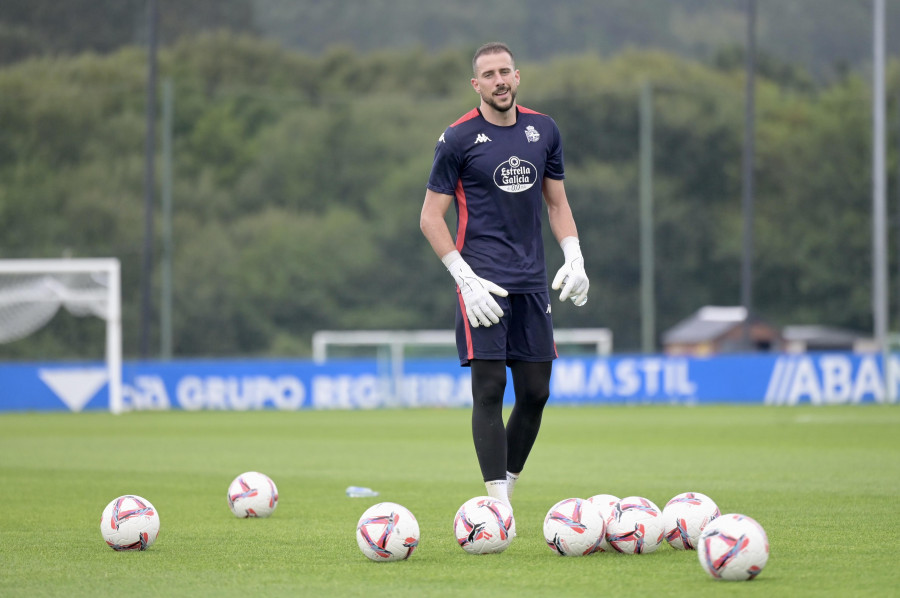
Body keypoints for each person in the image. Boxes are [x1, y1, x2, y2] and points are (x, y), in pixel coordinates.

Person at [419, 42, 589, 510]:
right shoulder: (456, 139)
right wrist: (463, 278)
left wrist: (573, 256)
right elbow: (431, 218)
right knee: (490, 388)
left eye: (505, 72)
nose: (498, 81)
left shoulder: (544, 130)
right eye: (488, 75)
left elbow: (557, 203)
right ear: (476, 85)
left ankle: (506, 488)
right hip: (483, 284)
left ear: (518, 77)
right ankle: (496, 504)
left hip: (533, 282)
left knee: (536, 392)